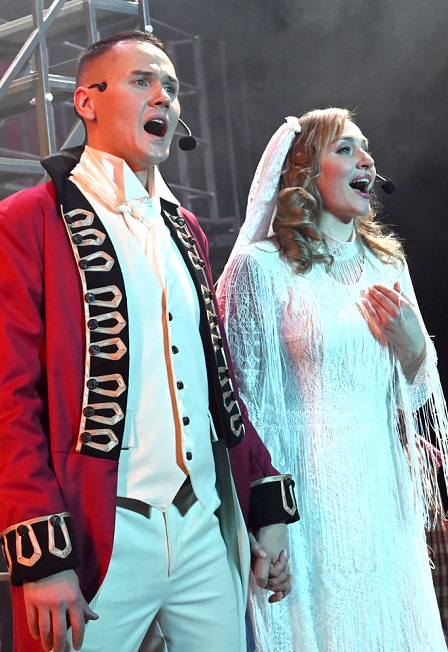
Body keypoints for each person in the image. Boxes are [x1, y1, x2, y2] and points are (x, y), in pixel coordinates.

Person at [0, 30, 299, 652]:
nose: (164, 96)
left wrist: (264, 508)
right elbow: (10, 398)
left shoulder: (185, 226)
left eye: (172, 87)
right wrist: (43, 555)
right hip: (96, 537)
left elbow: (218, 382)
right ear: (86, 102)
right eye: (142, 81)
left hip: (203, 527)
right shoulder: (29, 219)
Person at [217, 108, 448, 651]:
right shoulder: (261, 267)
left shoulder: (388, 263)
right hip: (307, 497)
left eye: (365, 148)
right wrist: (264, 514)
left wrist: (415, 348)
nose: (366, 159)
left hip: (381, 492)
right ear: (304, 169)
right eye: (345, 149)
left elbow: (417, 392)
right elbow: (241, 405)